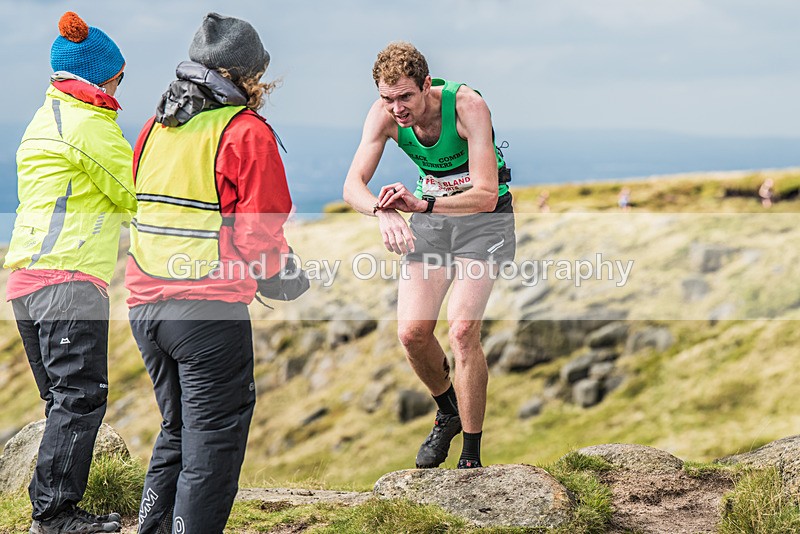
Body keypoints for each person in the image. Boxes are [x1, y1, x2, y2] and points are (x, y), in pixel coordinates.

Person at [126, 13, 308, 533]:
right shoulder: (244, 132)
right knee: (214, 442)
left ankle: (153, 528)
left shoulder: (155, 126)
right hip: (207, 315)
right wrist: (282, 277)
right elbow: (258, 234)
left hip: (145, 307)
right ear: (247, 76)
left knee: (178, 430)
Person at [343, 42, 515, 469]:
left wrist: (423, 206)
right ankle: (449, 411)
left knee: (460, 331)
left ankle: (471, 457)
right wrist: (381, 212)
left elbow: (486, 194)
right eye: (388, 98)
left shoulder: (467, 106)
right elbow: (351, 187)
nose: (397, 109)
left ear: (425, 85)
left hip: (485, 222)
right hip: (434, 224)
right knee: (412, 334)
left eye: (405, 97)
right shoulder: (382, 115)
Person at [3, 11, 134, 534]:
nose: (121, 86)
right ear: (99, 75)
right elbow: (135, 195)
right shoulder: (88, 126)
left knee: (62, 401)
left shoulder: (44, 119)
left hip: (26, 283)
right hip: (69, 281)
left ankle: (50, 511)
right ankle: (55, 516)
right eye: (118, 76)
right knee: (79, 399)